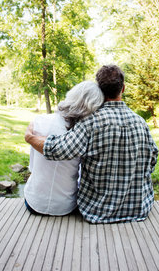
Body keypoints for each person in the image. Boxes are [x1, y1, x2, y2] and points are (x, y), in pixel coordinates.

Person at [25, 65, 159, 223]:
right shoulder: (141, 122)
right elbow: (152, 158)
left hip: (98, 211)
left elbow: (57, 150)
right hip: (139, 209)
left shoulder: (91, 123)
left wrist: (30, 137)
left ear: (100, 91)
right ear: (123, 88)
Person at [23, 80, 104, 216]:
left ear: (72, 95)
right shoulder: (85, 134)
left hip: (34, 202)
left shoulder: (39, 121)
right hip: (66, 206)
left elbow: (32, 167)